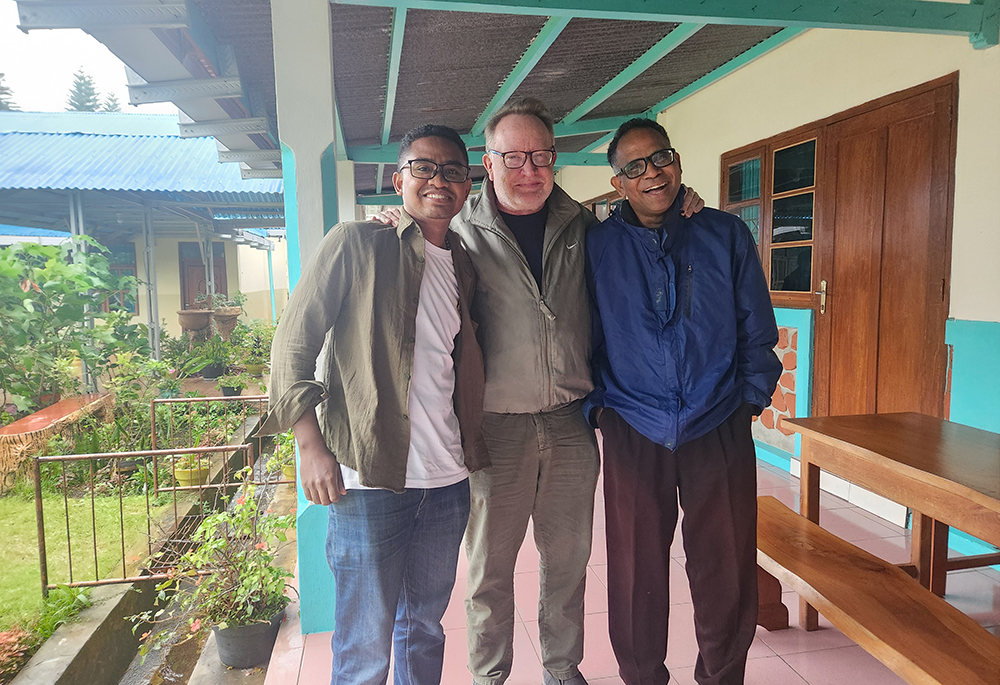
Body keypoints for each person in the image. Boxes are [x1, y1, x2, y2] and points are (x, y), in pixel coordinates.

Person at [376, 99, 702, 685]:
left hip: (572, 422)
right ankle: (489, 675)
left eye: (541, 156)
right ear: (487, 161)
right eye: (514, 157)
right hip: (494, 425)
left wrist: (684, 203)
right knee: (490, 571)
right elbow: (411, 245)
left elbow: (648, 228)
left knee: (568, 562)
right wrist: (390, 223)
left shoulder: (585, 225)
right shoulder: (458, 231)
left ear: (555, 158)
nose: (529, 170)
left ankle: (561, 669)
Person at [260, 124, 489, 685]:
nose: (439, 181)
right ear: (398, 179)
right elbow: (292, 346)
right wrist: (310, 447)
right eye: (423, 168)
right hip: (367, 482)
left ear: (467, 184)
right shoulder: (356, 243)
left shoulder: (463, 261)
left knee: (425, 629)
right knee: (364, 646)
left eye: (453, 171)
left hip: (447, 481)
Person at [582, 118, 781, 685]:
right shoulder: (598, 246)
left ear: (677, 161)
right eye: (635, 167)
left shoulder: (723, 233)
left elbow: (755, 326)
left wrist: (747, 399)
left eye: (661, 158)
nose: (653, 173)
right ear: (619, 183)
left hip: (717, 420)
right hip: (632, 424)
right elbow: (584, 334)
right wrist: (601, 407)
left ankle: (722, 675)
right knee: (637, 567)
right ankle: (642, 676)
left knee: (726, 564)